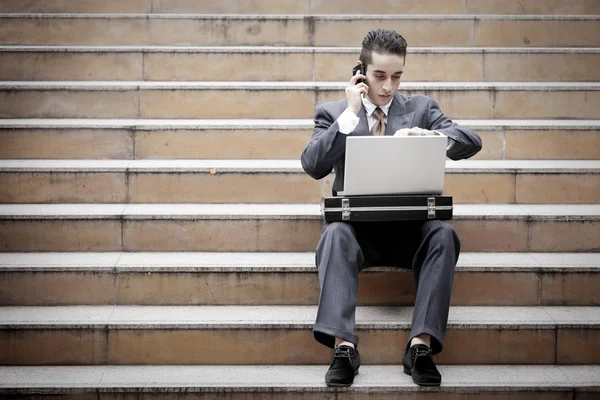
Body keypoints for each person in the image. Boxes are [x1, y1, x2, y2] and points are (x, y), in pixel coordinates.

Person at [300, 29, 482, 387]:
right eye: (379, 76)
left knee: (444, 233)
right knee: (334, 232)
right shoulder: (334, 113)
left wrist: (434, 138)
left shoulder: (421, 110)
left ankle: (421, 347)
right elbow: (312, 164)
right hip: (357, 234)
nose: (387, 87)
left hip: (409, 232)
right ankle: (343, 347)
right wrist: (351, 115)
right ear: (360, 72)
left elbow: (471, 140)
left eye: (396, 76)